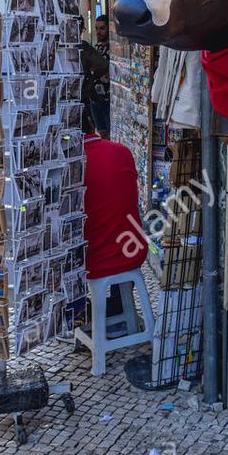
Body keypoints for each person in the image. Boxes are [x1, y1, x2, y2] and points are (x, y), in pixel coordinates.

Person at [83, 107, 146, 281]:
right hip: (134, 249)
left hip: (98, 261)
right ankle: (120, 299)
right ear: (90, 123)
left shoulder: (74, 164)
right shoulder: (121, 151)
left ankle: (83, 307)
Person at [81, 15, 111, 135]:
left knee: (110, 133)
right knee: (101, 133)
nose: (99, 32)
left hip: (108, 99)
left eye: (102, 28)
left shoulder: (114, 49)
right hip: (95, 99)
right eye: (97, 28)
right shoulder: (96, 48)